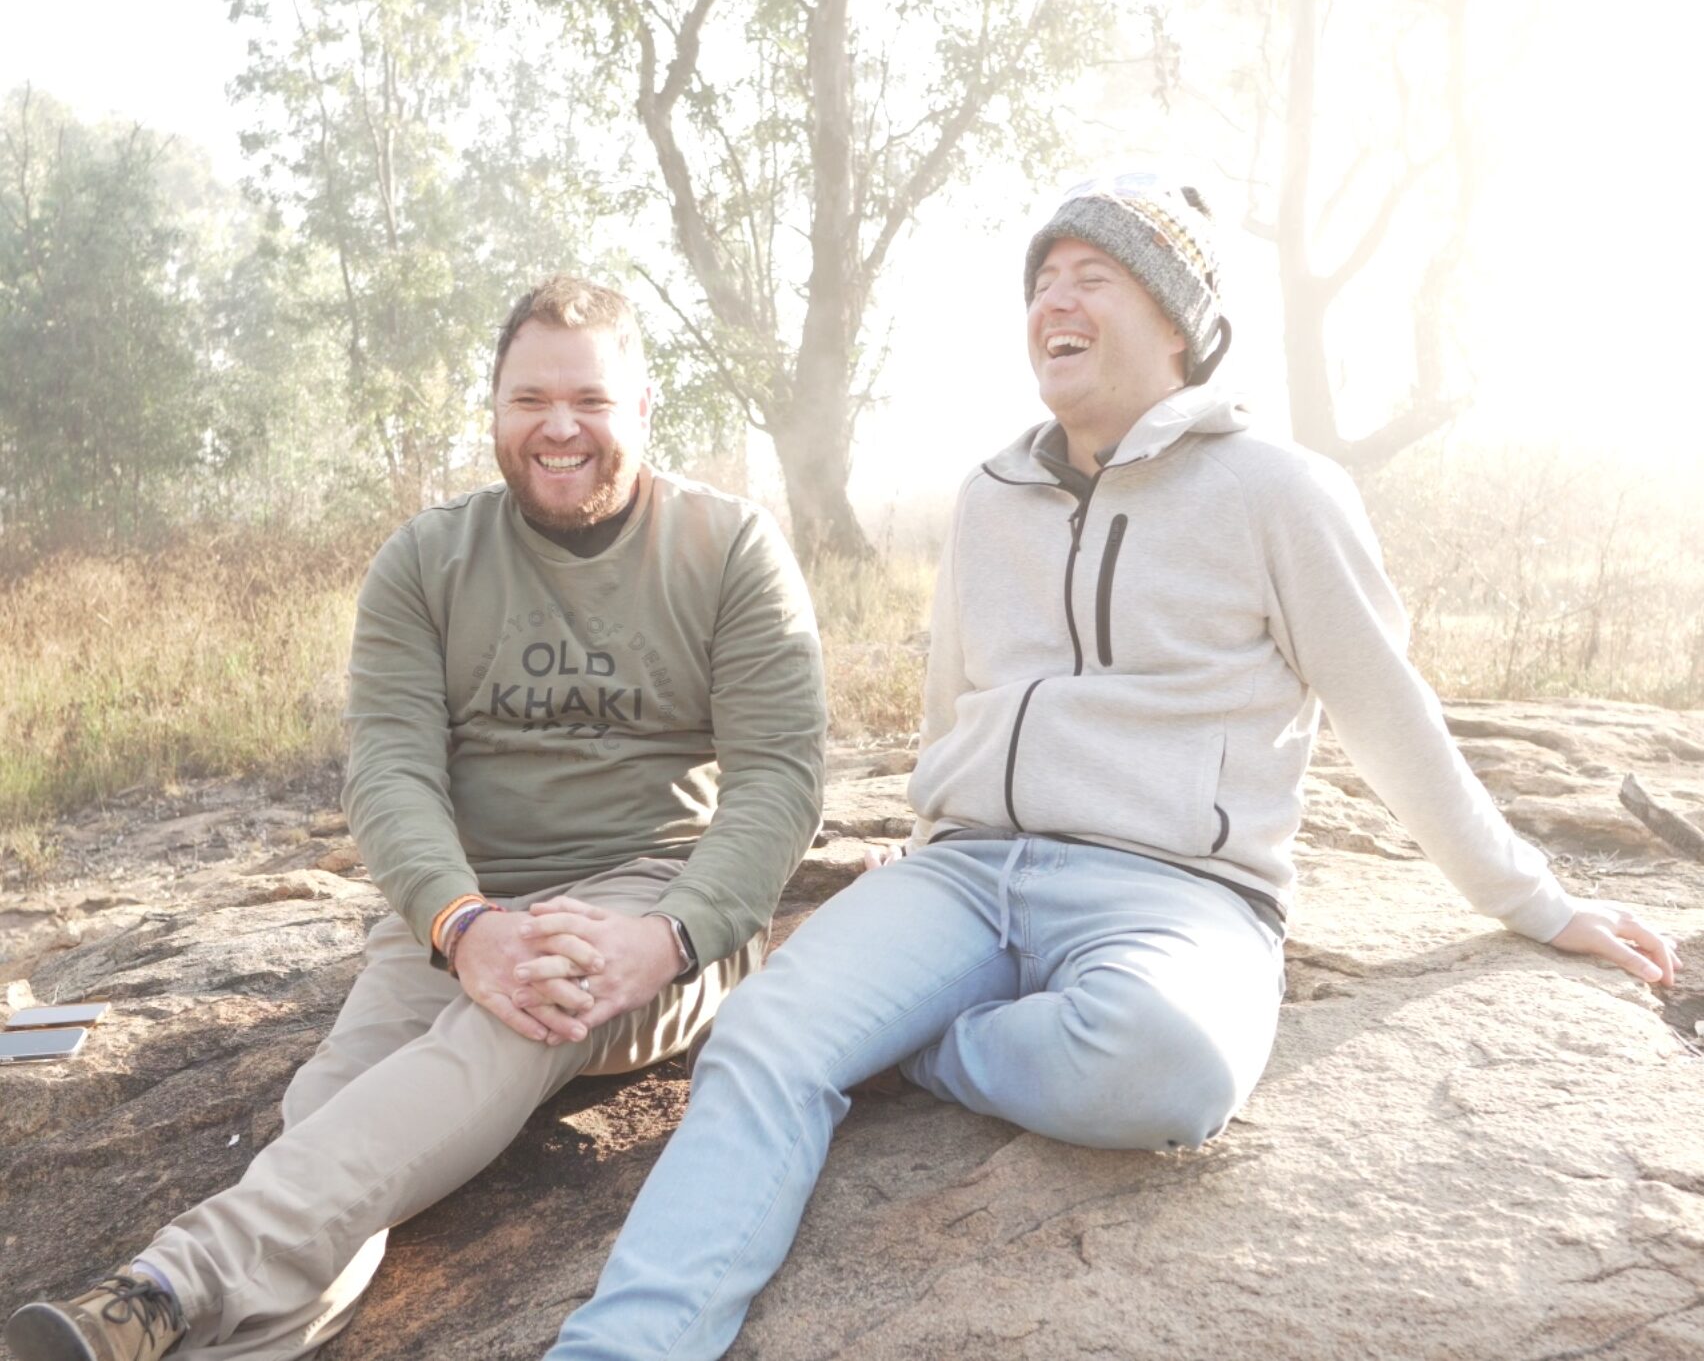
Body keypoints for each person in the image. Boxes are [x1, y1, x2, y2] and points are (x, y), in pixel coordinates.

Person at [541, 176, 1681, 1361]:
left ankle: (925, 1046)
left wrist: (1533, 901)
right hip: (965, 877)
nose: (1055, 303)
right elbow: (955, 702)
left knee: (1171, 1067)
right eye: (1042, 283)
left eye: (1093, 277)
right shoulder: (990, 495)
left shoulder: (1279, 491)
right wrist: (922, 852)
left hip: (1178, 892)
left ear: (1178, 321)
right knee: (763, 1036)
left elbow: (1390, 715)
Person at [4, 276, 826, 1361]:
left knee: (532, 1004)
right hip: (461, 908)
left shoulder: (729, 547)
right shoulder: (427, 560)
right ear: (494, 409)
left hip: (646, 899)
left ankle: (167, 1279)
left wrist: (670, 936)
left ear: (640, 407)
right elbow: (390, 772)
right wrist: (459, 922)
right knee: (334, 1112)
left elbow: (779, 779)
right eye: (530, 399)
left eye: (590, 399)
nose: (560, 426)